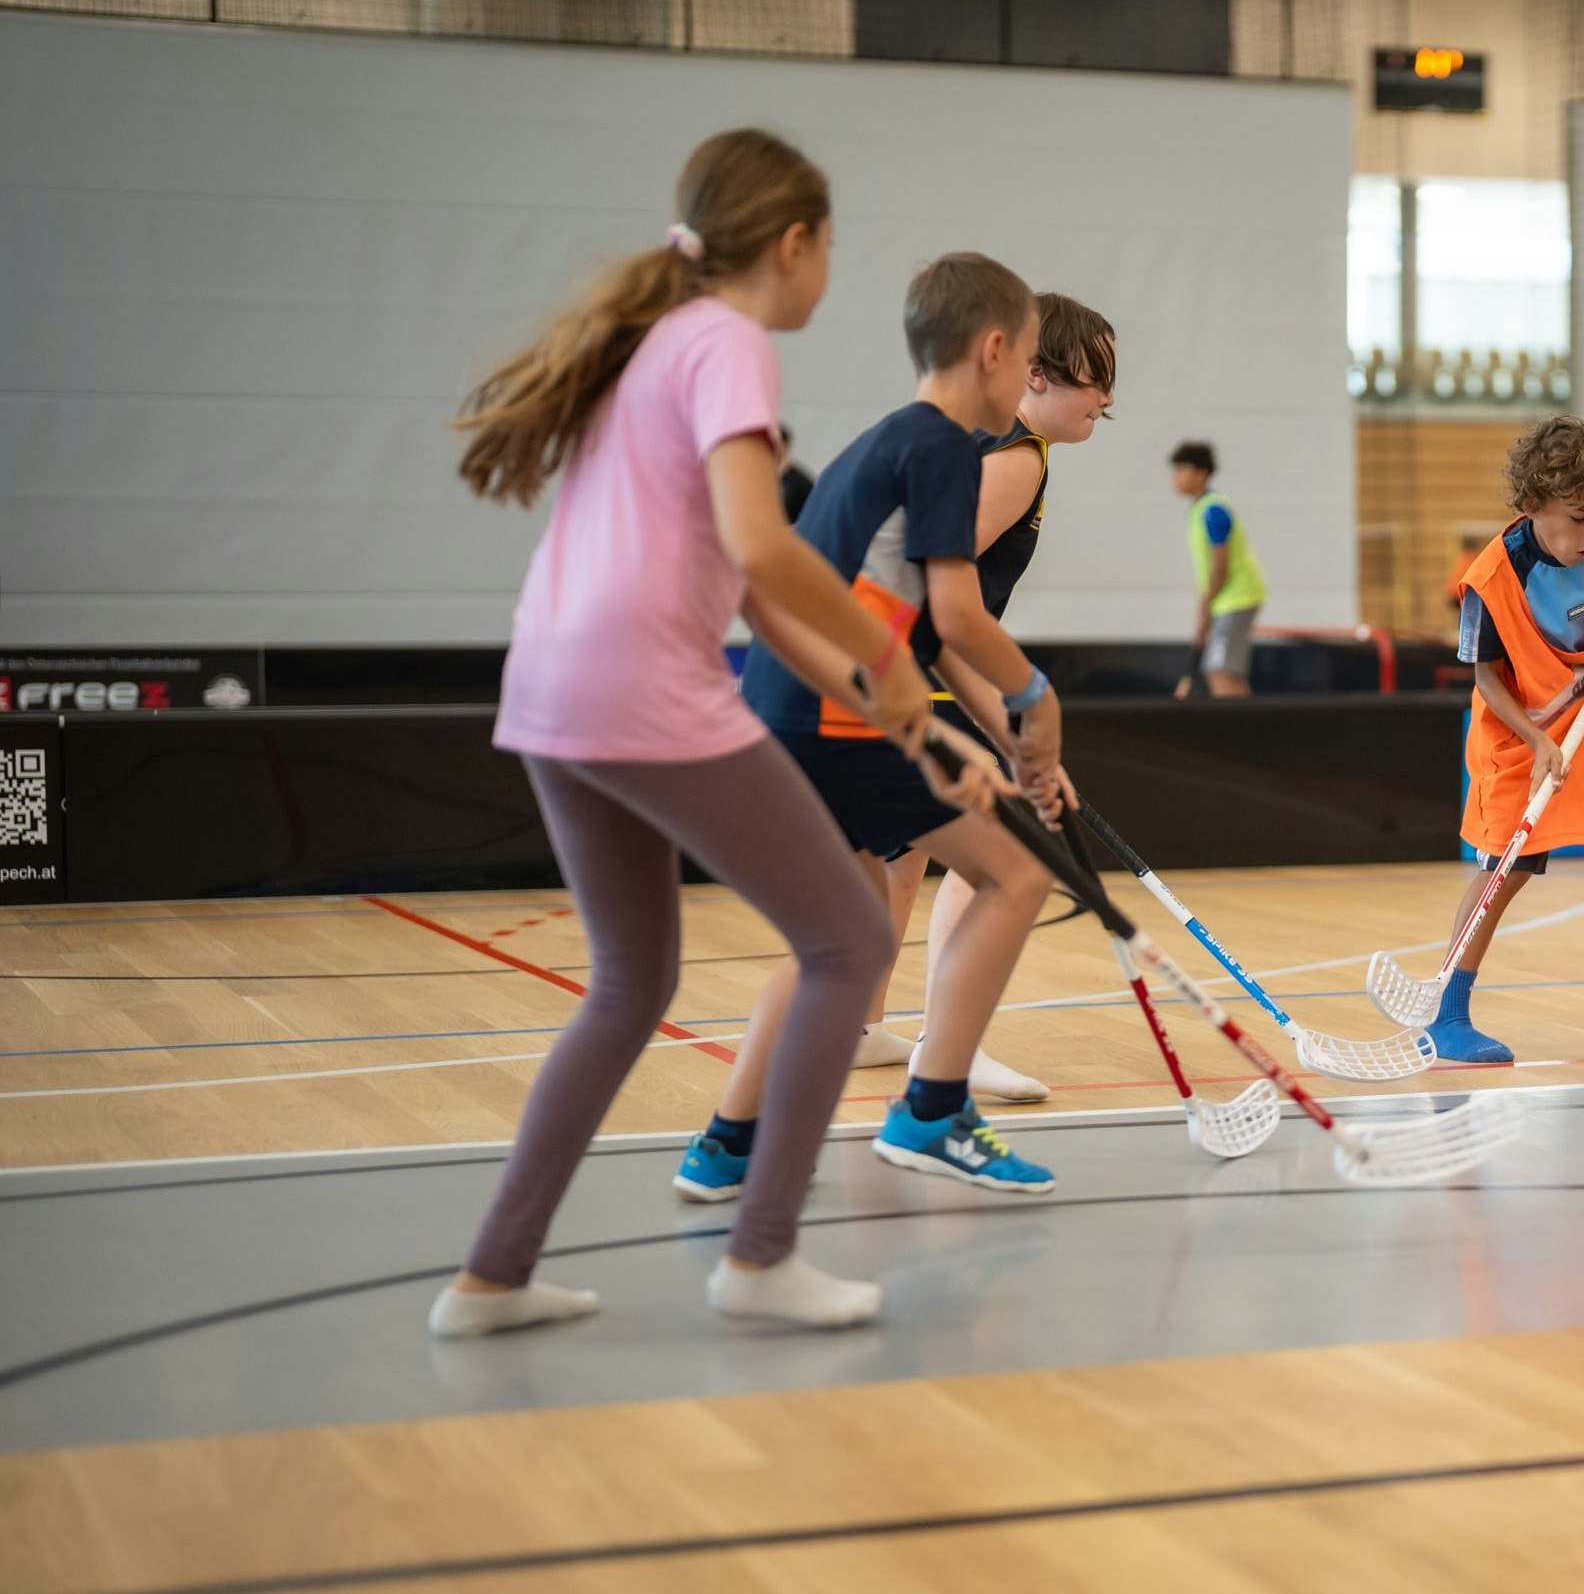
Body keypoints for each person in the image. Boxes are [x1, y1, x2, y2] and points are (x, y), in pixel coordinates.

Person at [433, 129, 1001, 1339]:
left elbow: (751, 601)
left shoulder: (655, 344)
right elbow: (762, 545)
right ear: (792, 246)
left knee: (631, 981)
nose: (829, 266)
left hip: (548, 690)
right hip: (642, 690)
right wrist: (894, 664)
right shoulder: (729, 342)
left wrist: (891, 702)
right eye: (831, 245)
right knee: (850, 939)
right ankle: (760, 1258)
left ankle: (491, 1274)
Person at [679, 253, 1071, 1205]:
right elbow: (967, 615)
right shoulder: (943, 448)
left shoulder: (884, 443)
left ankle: (725, 1144)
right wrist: (1040, 705)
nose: (1030, 381)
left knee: (843, 938)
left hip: (788, 708)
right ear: (992, 350)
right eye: (1027, 358)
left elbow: (928, 639)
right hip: (835, 720)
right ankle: (932, 1113)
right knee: (1018, 874)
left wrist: (1019, 753)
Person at [909, 292, 1122, 1073]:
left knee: (896, 862)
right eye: (1096, 376)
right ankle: (944, 1046)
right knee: (993, 861)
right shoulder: (1017, 457)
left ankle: (869, 1030)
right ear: (1036, 370)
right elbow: (932, 588)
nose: (1107, 396)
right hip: (923, 679)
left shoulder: (1001, 446)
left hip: (909, 672)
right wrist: (1013, 709)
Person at [1428, 415, 1584, 1064]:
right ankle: (1447, 1016)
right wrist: (1538, 742)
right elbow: (1486, 677)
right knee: (1504, 871)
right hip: (1521, 734)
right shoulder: (1490, 578)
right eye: (1577, 518)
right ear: (1533, 504)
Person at [1170, 440, 1266, 698]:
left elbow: (1220, 567)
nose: (1176, 477)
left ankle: (1244, 733)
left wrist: (1204, 611)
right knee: (1218, 668)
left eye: (1182, 469)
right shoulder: (1198, 510)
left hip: (1237, 598)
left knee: (1220, 669)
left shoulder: (1214, 511)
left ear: (1201, 473)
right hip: (1224, 600)